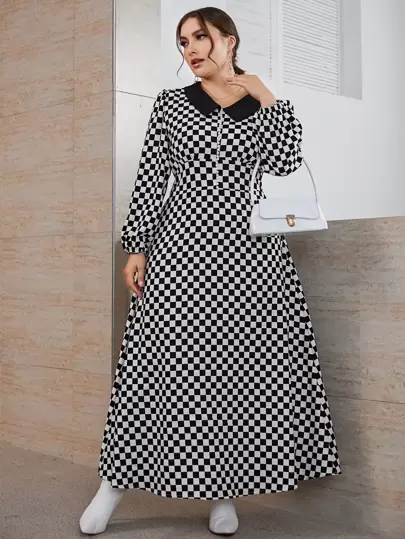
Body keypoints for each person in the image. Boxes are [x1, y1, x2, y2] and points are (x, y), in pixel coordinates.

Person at [79, 6, 341, 537]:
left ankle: (224, 494)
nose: (191, 49)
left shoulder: (262, 103)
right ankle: (112, 485)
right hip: (181, 250)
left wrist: (266, 95)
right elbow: (151, 177)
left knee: (234, 374)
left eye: (200, 37)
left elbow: (286, 162)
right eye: (183, 42)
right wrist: (136, 248)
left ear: (229, 40)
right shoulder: (171, 104)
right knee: (154, 367)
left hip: (251, 257)